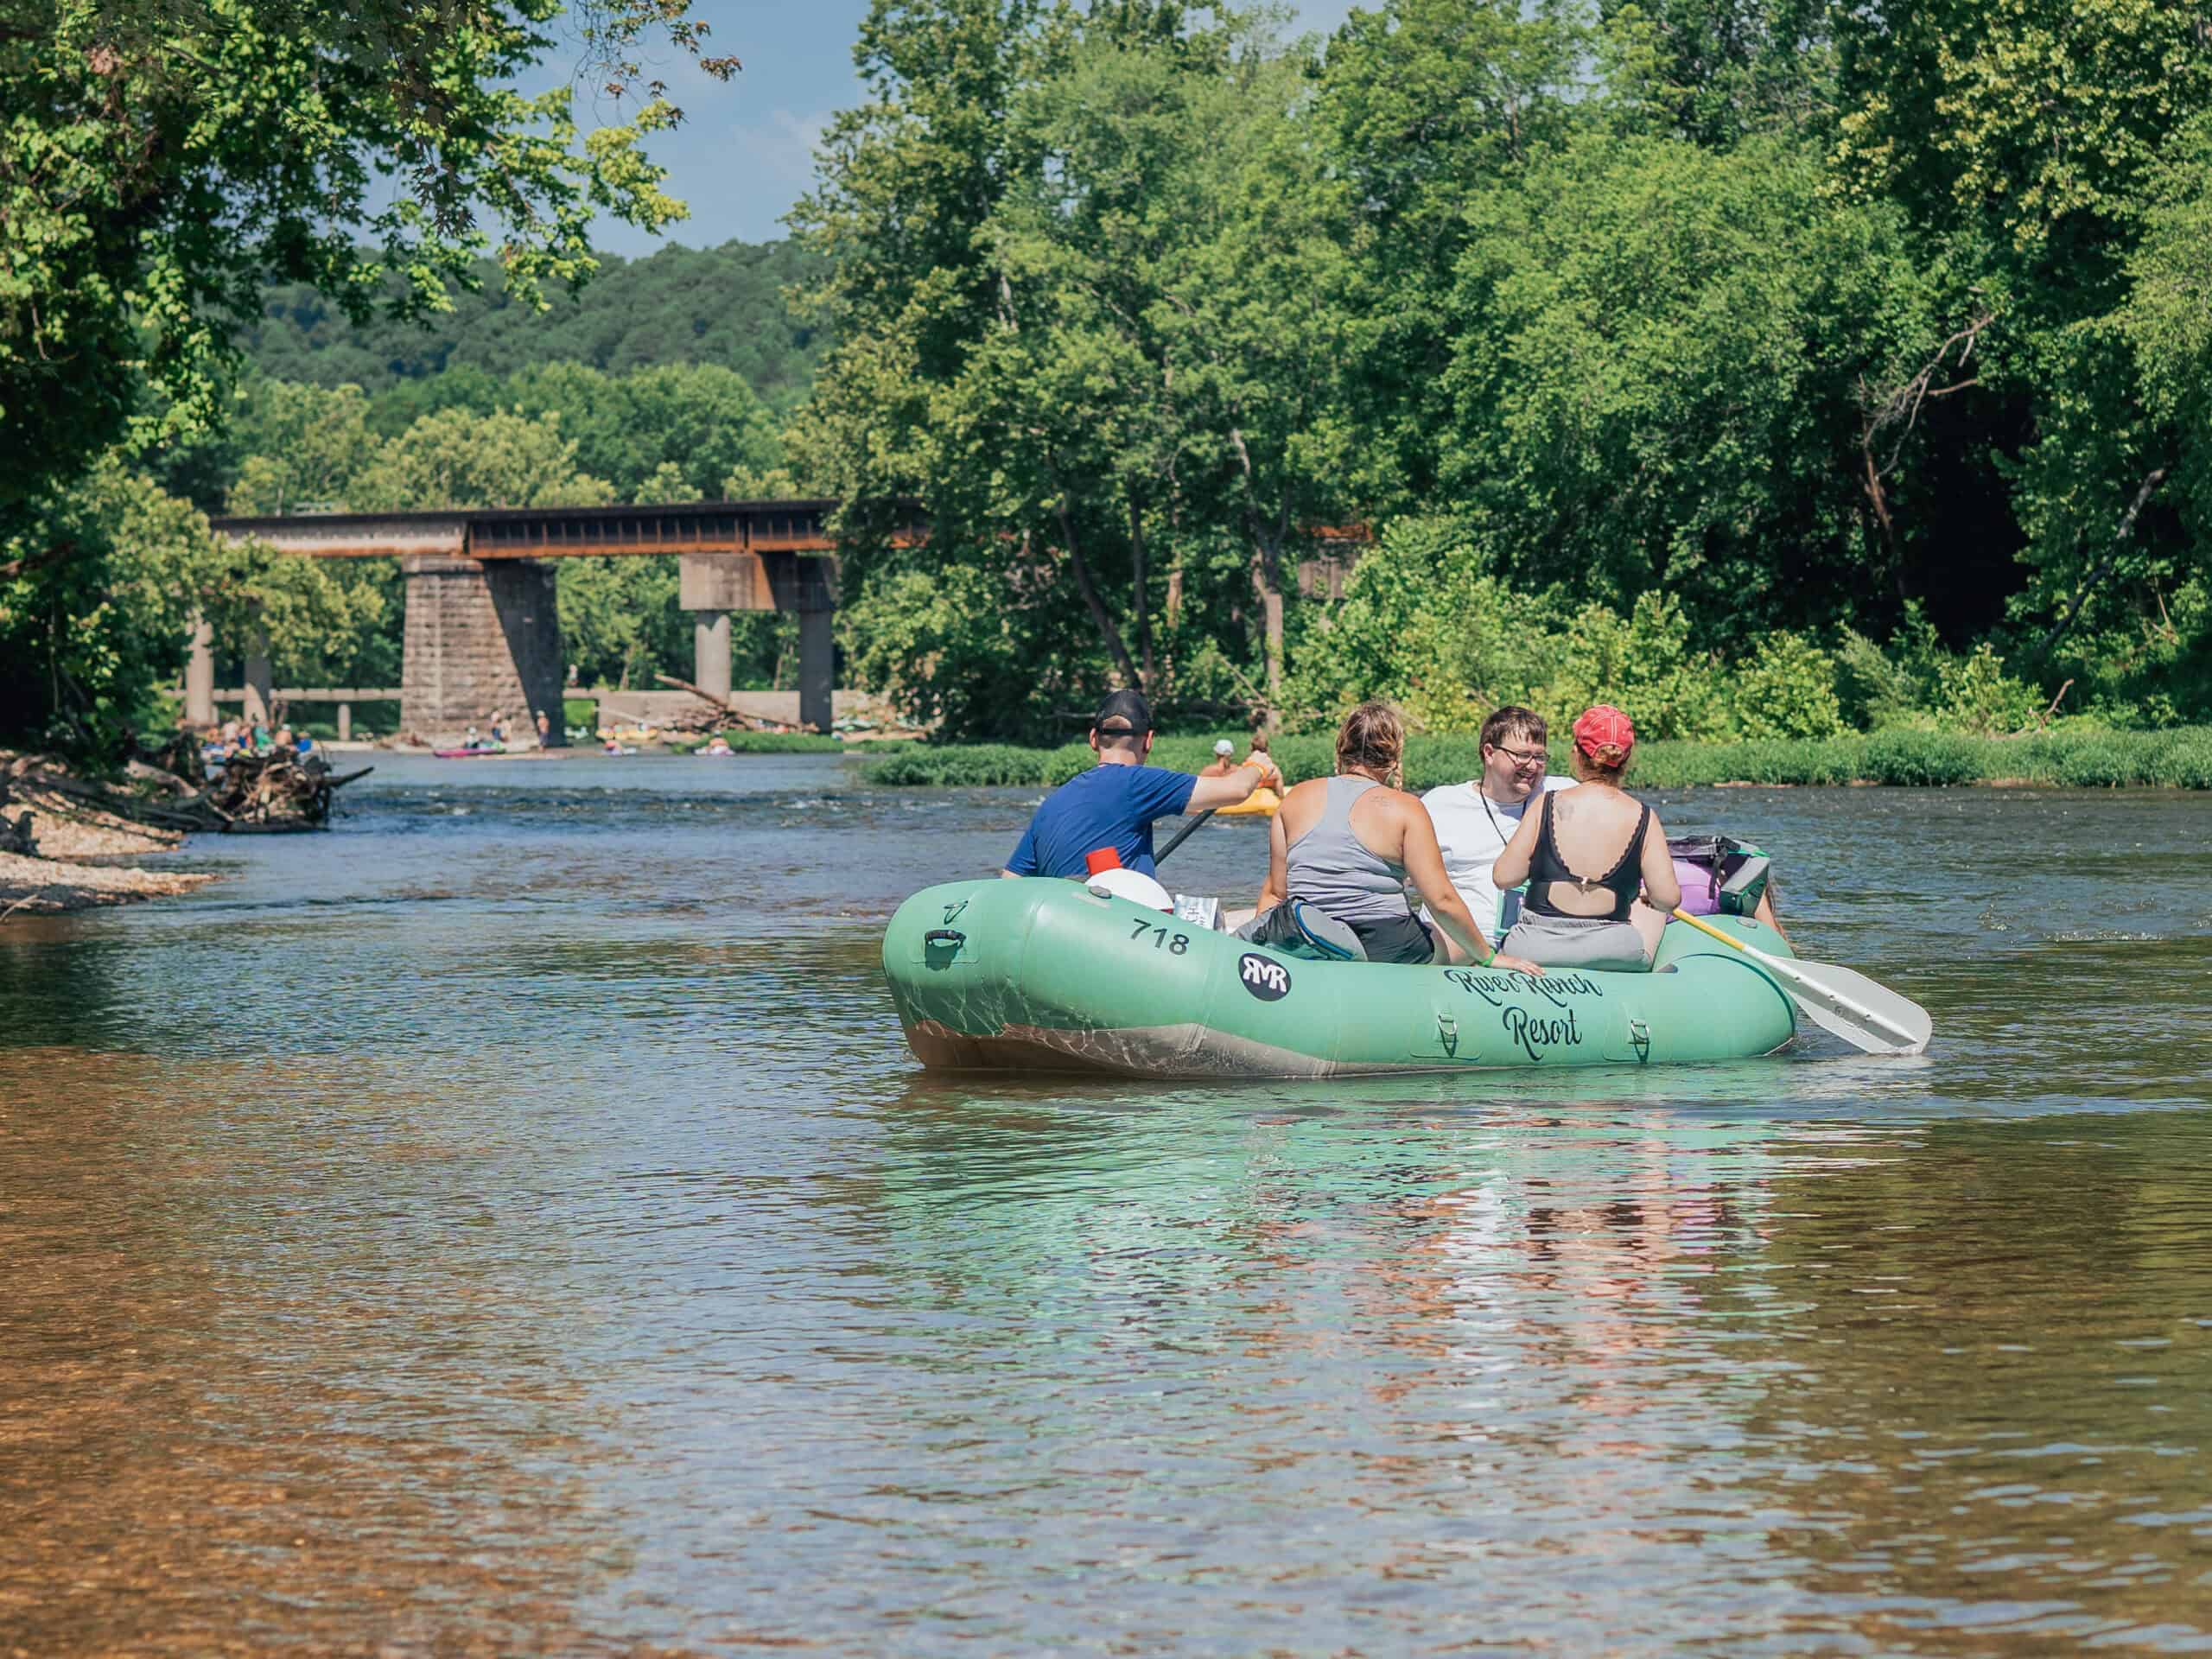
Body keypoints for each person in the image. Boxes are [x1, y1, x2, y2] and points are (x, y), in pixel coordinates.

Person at [1255, 702, 1542, 971]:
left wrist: (1256, 957)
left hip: (1304, 927)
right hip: (1383, 941)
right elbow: (1442, 900)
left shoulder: (1295, 798)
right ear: (1395, 758)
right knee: (1462, 946)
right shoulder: (1406, 808)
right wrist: (1488, 956)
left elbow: (1276, 893)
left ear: (1340, 749)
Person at [1492, 705, 1680, 971]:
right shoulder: (1644, 817)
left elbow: (1504, 877)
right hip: (1612, 950)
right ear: (1627, 760)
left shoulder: (1546, 804)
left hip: (1534, 948)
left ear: (1576, 754)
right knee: (1651, 909)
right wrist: (1645, 895)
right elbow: (1668, 899)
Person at [1002, 690, 1262, 880]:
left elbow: (1010, 880)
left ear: (1093, 739)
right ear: (1148, 740)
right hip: (1115, 928)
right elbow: (1238, 789)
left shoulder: (1052, 803)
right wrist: (1257, 765)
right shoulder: (1139, 783)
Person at [1420, 706, 1573, 961]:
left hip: (1536, 943)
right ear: (1489, 753)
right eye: (1522, 755)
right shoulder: (1439, 804)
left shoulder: (1563, 795)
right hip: (1459, 944)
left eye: (1540, 757)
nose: (1532, 766)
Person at [1241, 729, 1284, 794]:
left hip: (1250, 794)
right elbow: (1280, 791)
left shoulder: (1245, 766)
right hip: (1266, 794)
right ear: (1267, 749)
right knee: (1278, 777)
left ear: (1251, 748)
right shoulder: (1274, 769)